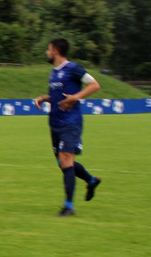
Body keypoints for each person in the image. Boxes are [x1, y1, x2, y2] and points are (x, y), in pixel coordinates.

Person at [33, 38, 103, 217]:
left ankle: (69, 207)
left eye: (48, 49)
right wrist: (44, 98)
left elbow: (94, 85)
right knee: (62, 163)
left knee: (65, 159)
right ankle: (91, 180)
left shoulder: (73, 69)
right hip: (54, 122)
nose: (47, 53)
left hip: (70, 122)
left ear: (55, 50)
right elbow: (57, 95)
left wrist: (76, 97)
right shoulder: (53, 73)